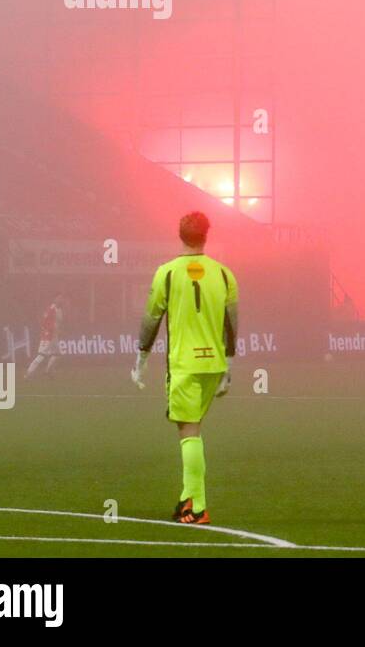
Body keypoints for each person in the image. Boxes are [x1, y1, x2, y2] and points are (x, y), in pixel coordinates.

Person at [132, 212, 238, 525]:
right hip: (214, 363)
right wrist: (229, 366)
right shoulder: (224, 274)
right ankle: (186, 498)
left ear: (180, 235)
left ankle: (198, 506)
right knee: (194, 427)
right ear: (207, 235)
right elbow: (232, 324)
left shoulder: (166, 273)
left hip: (184, 364)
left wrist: (140, 360)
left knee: (188, 431)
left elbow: (151, 319)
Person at [25, 293, 67, 378]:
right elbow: (44, 321)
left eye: (62, 299)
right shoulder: (51, 309)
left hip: (54, 336)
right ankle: (29, 373)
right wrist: (50, 329)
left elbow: (58, 323)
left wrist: (59, 330)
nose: (61, 301)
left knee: (57, 354)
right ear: (55, 300)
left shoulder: (60, 310)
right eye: (59, 299)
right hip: (48, 335)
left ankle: (48, 372)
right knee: (41, 355)